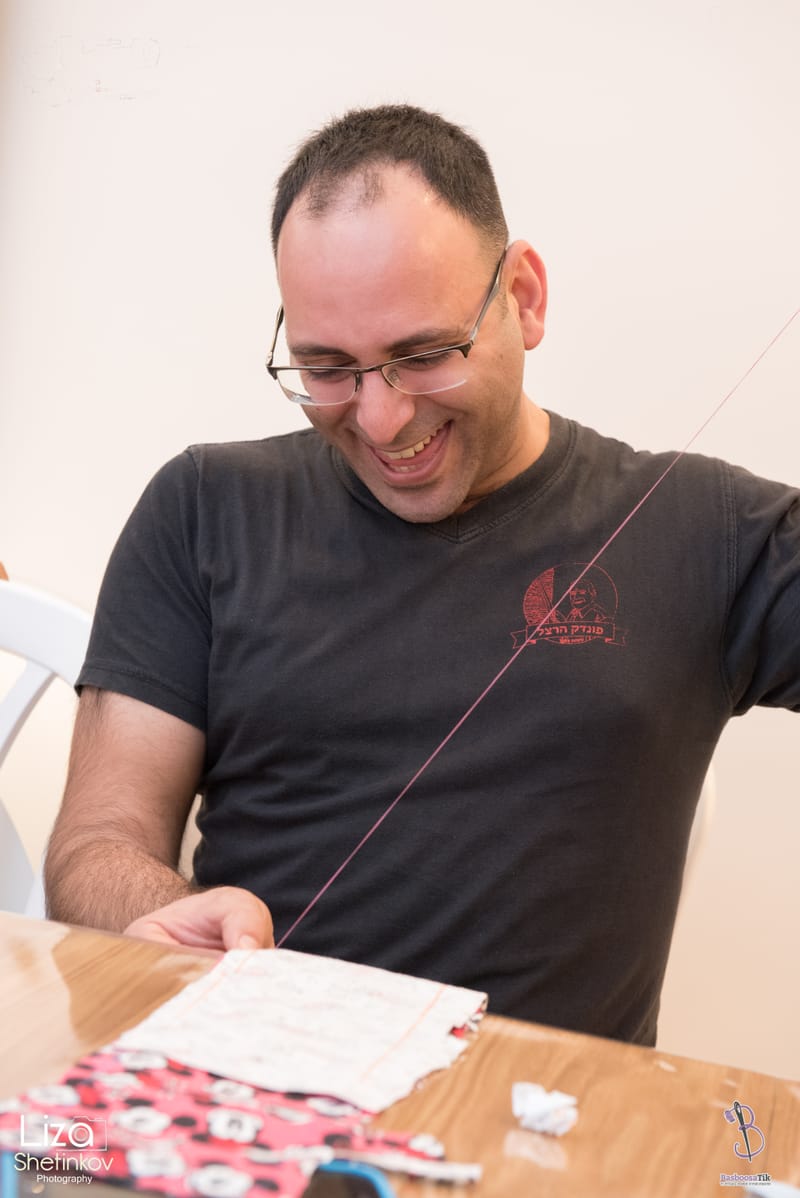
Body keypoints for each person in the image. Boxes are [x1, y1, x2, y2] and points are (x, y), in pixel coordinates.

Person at [45, 104, 800, 1045]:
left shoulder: (702, 529)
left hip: (542, 1123)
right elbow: (95, 847)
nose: (381, 419)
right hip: (250, 1094)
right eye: (328, 368)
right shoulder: (204, 507)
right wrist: (157, 915)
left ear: (523, 297)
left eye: (423, 355)